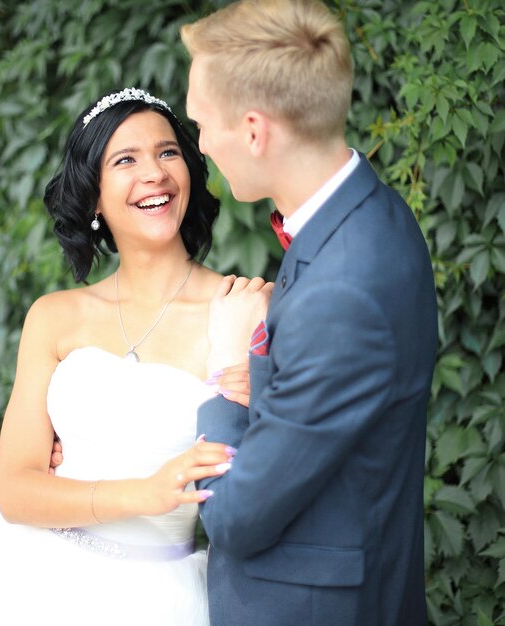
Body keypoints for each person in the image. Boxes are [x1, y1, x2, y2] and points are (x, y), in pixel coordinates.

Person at [0, 88, 271, 626]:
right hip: (25, 575)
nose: (155, 173)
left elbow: (270, 476)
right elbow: (16, 488)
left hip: (160, 596)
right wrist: (144, 492)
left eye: (168, 152)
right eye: (125, 159)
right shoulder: (54, 317)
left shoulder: (241, 311)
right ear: (94, 197)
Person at [181, 1, 438, 625]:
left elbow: (237, 517)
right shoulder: (369, 212)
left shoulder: (343, 291)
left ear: (252, 130)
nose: (200, 144)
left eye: (201, 124)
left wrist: (228, 373)